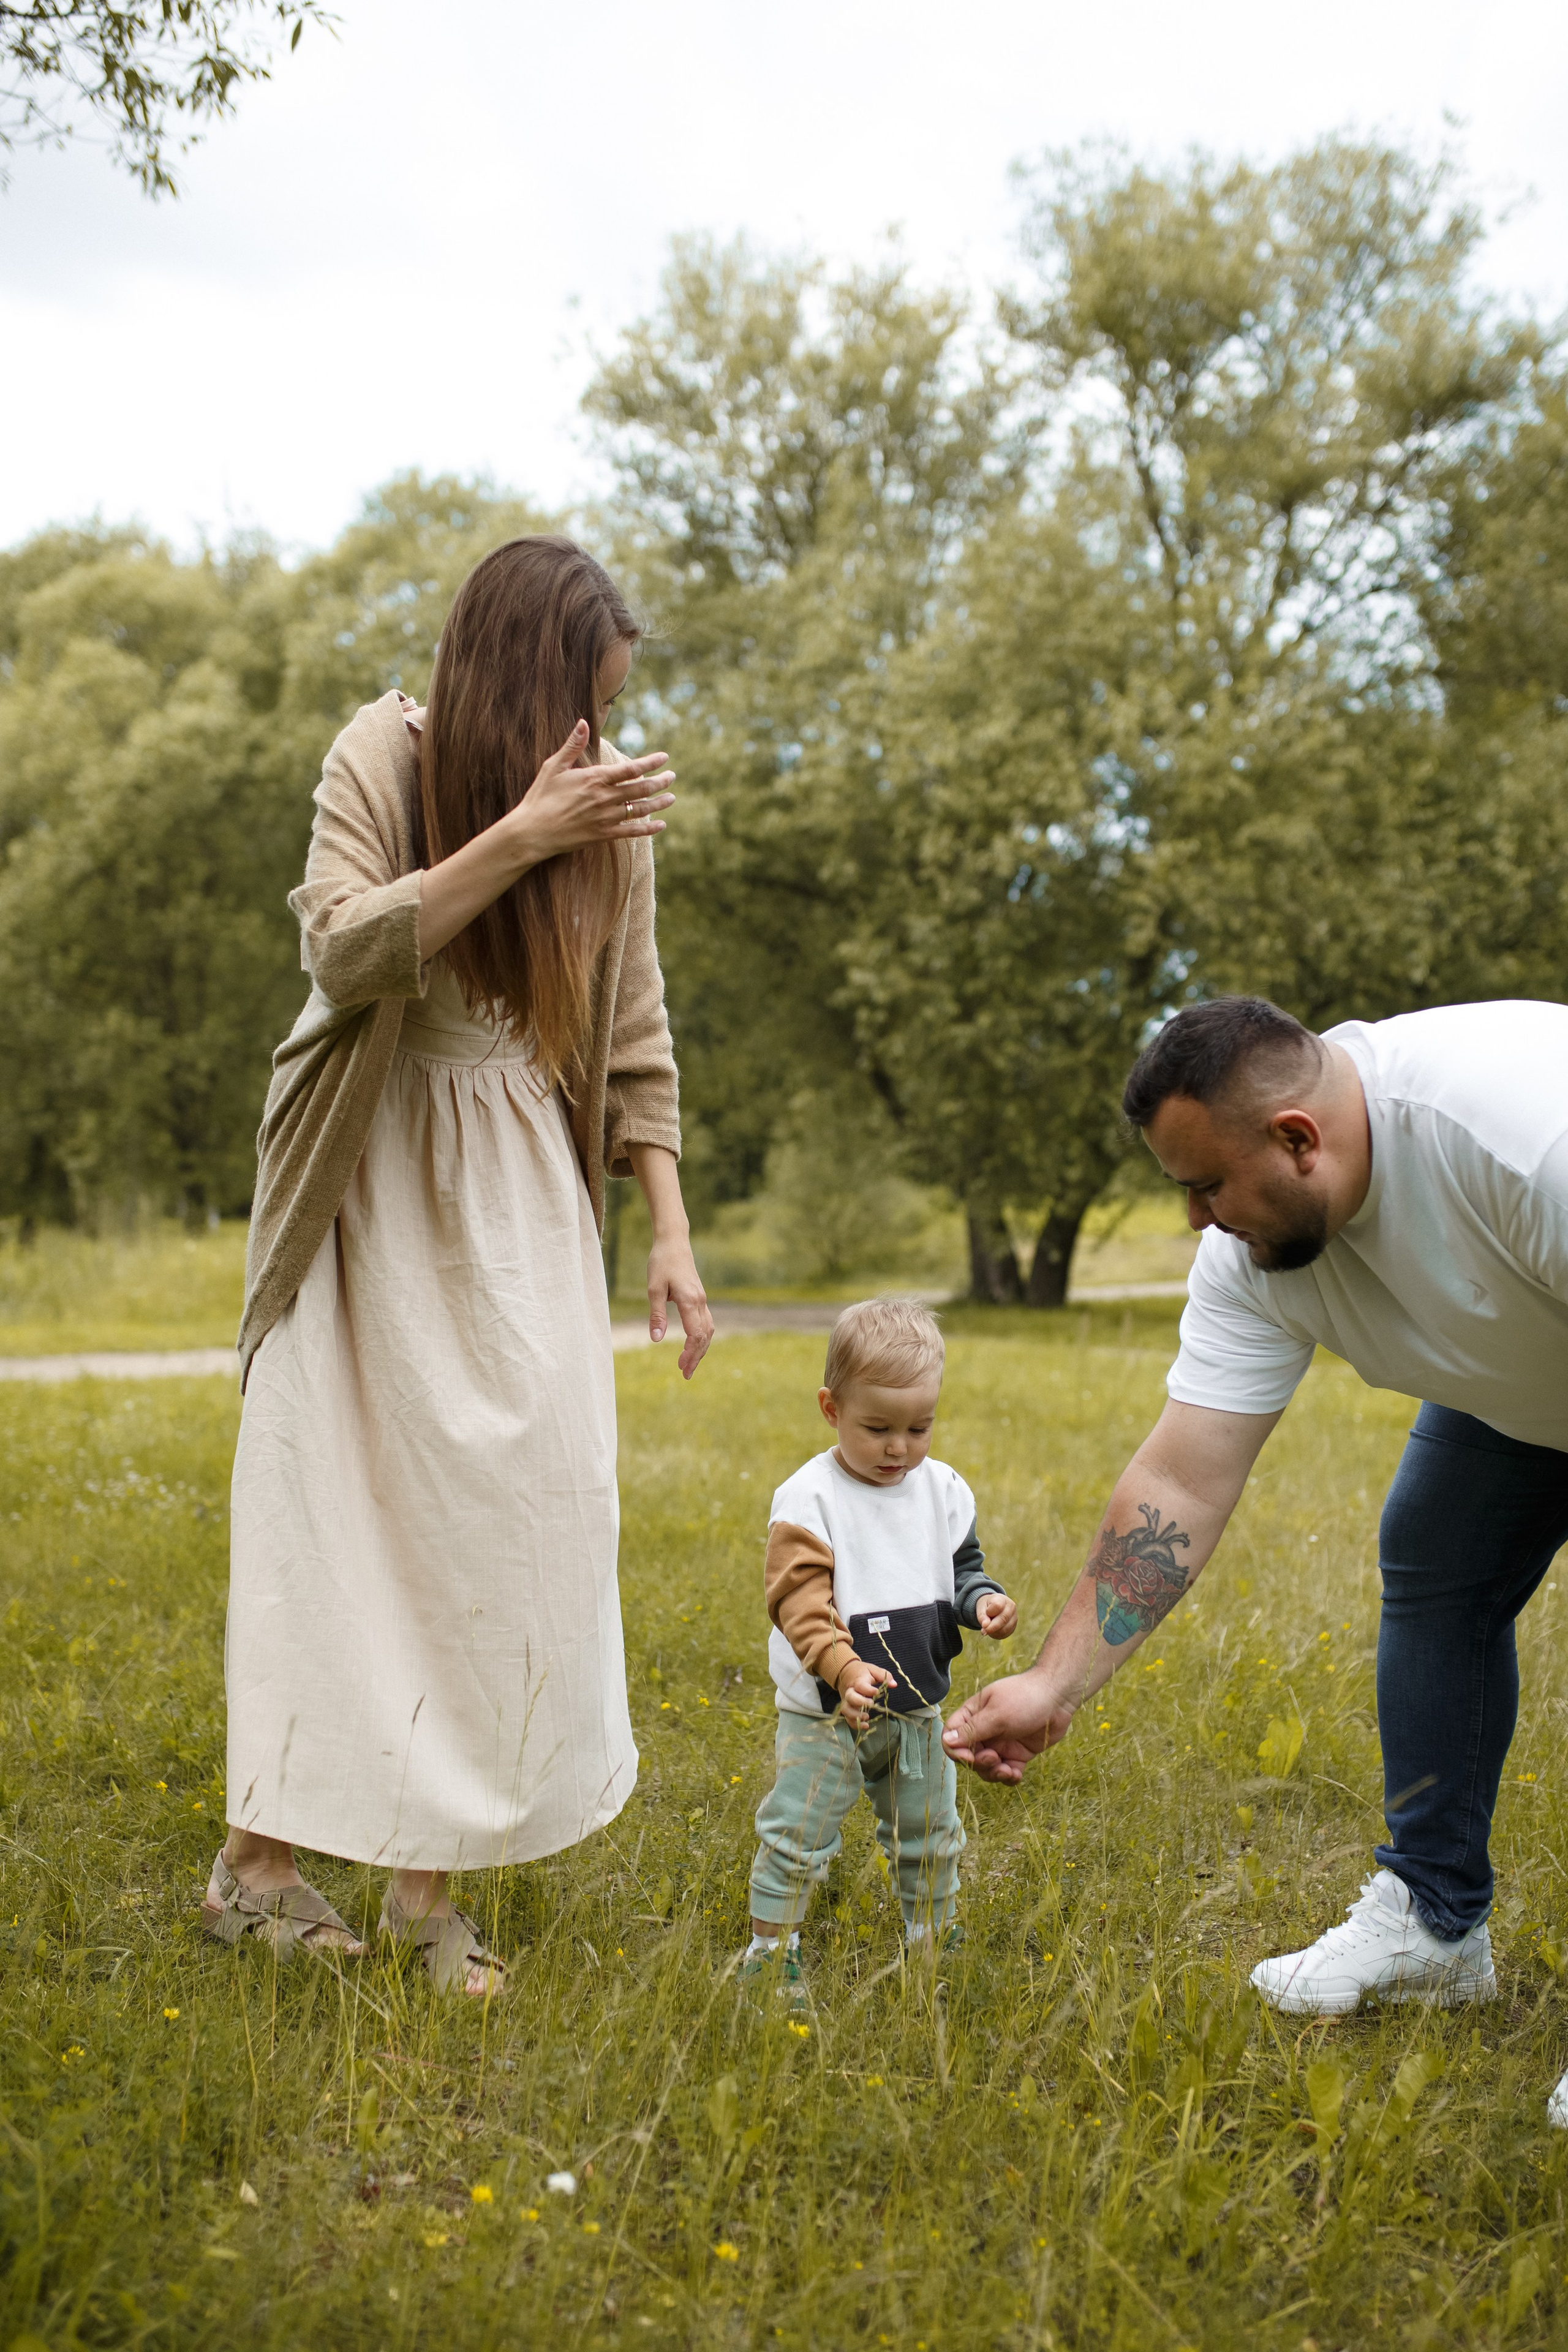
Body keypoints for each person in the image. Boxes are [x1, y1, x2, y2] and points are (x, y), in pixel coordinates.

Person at [207, 535, 714, 1995]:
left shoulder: (606, 808)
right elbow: (341, 948)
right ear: (514, 684)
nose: (597, 734)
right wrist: (523, 835)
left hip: (520, 1182)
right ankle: (256, 1867)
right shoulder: (386, 752)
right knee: (330, 1513)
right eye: (584, 702)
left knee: (511, 1519)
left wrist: (669, 1227)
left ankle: (427, 1888)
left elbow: (632, 1028)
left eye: (611, 708)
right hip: (365, 1174)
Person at [942, 994, 1568, 2123]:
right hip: (1532, 1381)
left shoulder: (1522, 1141)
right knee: (1437, 1565)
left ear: (1297, 1140)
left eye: (1205, 1186)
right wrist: (1054, 1682)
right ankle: (1438, 1924)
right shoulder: (1250, 1257)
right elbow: (1183, 1482)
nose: (1194, 1218)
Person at [742, 1298, 1017, 1997]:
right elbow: (800, 1605)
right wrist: (843, 1667)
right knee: (799, 1833)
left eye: (919, 1428)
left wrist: (981, 1601)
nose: (899, 1448)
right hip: (826, 1712)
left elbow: (963, 1567)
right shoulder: (810, 1500)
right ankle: (770, 1955)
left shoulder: (942, 1490)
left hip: (916, 1705)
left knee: (930, 1830)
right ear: (831, 1409)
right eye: (878, 1429)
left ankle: (932, 1939)